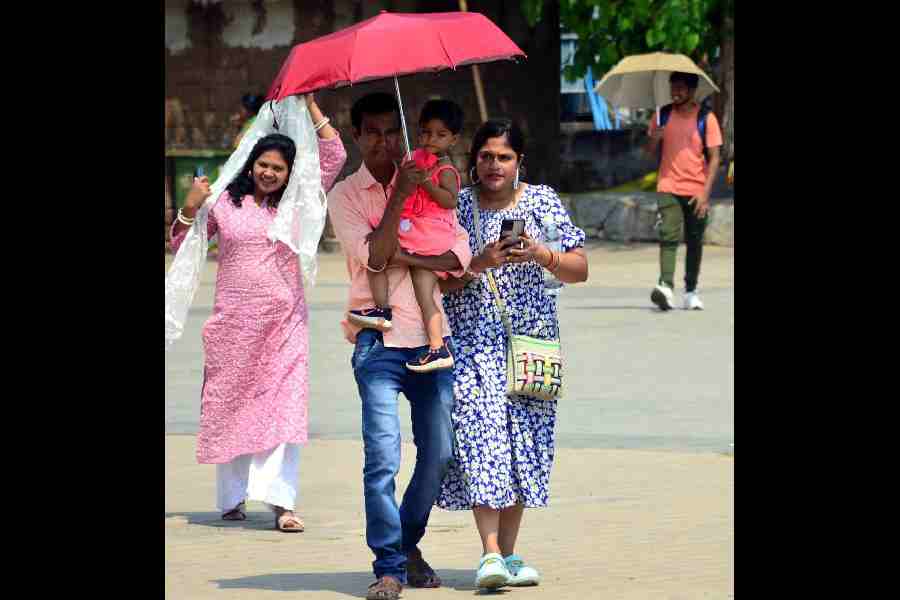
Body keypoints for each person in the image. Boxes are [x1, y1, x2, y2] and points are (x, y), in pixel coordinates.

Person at [169, 94, 346, 532]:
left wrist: (311, 105)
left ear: (289, 173)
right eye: (263, 164)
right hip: (231, 326)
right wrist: (191, 206)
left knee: (283, 410)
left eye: (278, 168)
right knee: (231, 408)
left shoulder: (298, 202)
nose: (269, 173)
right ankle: (232, 499)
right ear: (250, 165)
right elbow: (182, 244)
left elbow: (334, 155)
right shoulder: (225, 202)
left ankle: (282, 503)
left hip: (284, 326)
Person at [327, 92, 472, 600]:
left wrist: (414, 257)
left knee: (440, 453)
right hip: (377, 343)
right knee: (382, 458)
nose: (385, 142)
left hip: (432, 342)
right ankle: (388, 566)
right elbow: (374, 256)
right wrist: (399, 199)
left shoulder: (430, 174)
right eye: (373, 132)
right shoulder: (346, 195)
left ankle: (407, 543)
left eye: (392, 131)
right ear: (356, 136)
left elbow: (458, 255)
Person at [435, 119, 588, 589]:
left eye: (504, 157)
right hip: (473, 343)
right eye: (486, 156)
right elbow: (437, 280)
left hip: (531, 343)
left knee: (524, 443)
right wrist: (480, 262)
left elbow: (579, 268)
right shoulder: (458, 207)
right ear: (473, 160)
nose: (494, 165)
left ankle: (509, 553)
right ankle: (489, 553)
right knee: (482, 440)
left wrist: (542, 253)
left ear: (519, 161)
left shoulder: (542, 202)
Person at [347, 99, 464, 373]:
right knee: (412, 285)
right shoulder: (417, 158)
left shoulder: (446, 169)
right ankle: (430, 341)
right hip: (417, 229)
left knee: (381, 255)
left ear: (454, 139)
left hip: (427, 233)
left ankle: (387, 313)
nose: (431, 139)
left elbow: (450, 201)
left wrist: (424, 182)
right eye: (425, 133)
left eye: (440, 135)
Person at [644, 71, 723, 311]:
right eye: (673, 88)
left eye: (680, 88)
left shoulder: (706, 118)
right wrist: (655, 139)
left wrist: (705, 194)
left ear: (692, 90)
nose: (675, 93)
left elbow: (715, 158)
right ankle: (665, 286)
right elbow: (648, 153)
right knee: (668, 234)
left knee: (694, 240)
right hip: (667, 185)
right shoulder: (662, 115)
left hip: (696, 189)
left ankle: (691, 291)